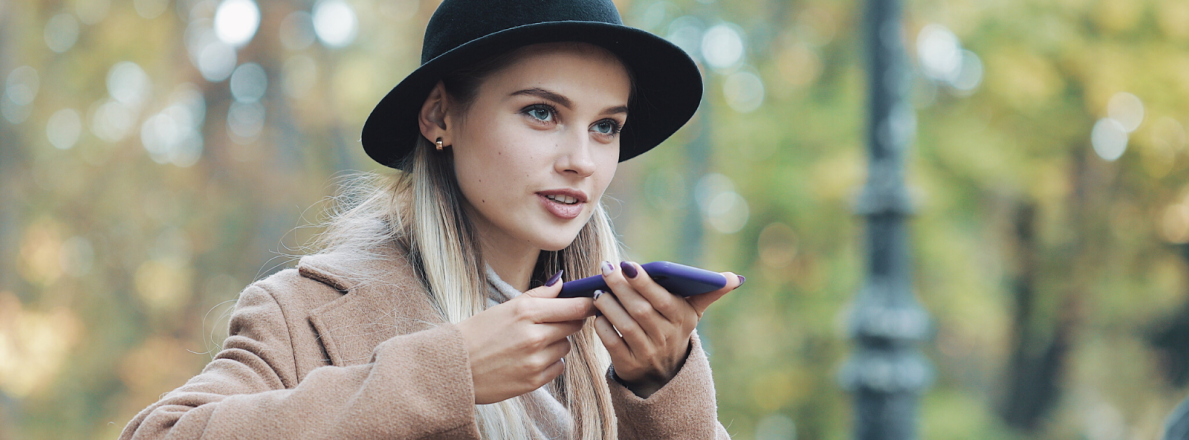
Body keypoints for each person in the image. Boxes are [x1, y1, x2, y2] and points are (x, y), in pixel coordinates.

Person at [120, 0, 743, 438]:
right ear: (440, 117)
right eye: (541, 112)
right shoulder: (302, 314)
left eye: (605, 126)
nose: (581, 161)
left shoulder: (617, 337)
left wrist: (660, 391)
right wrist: (449, 373)